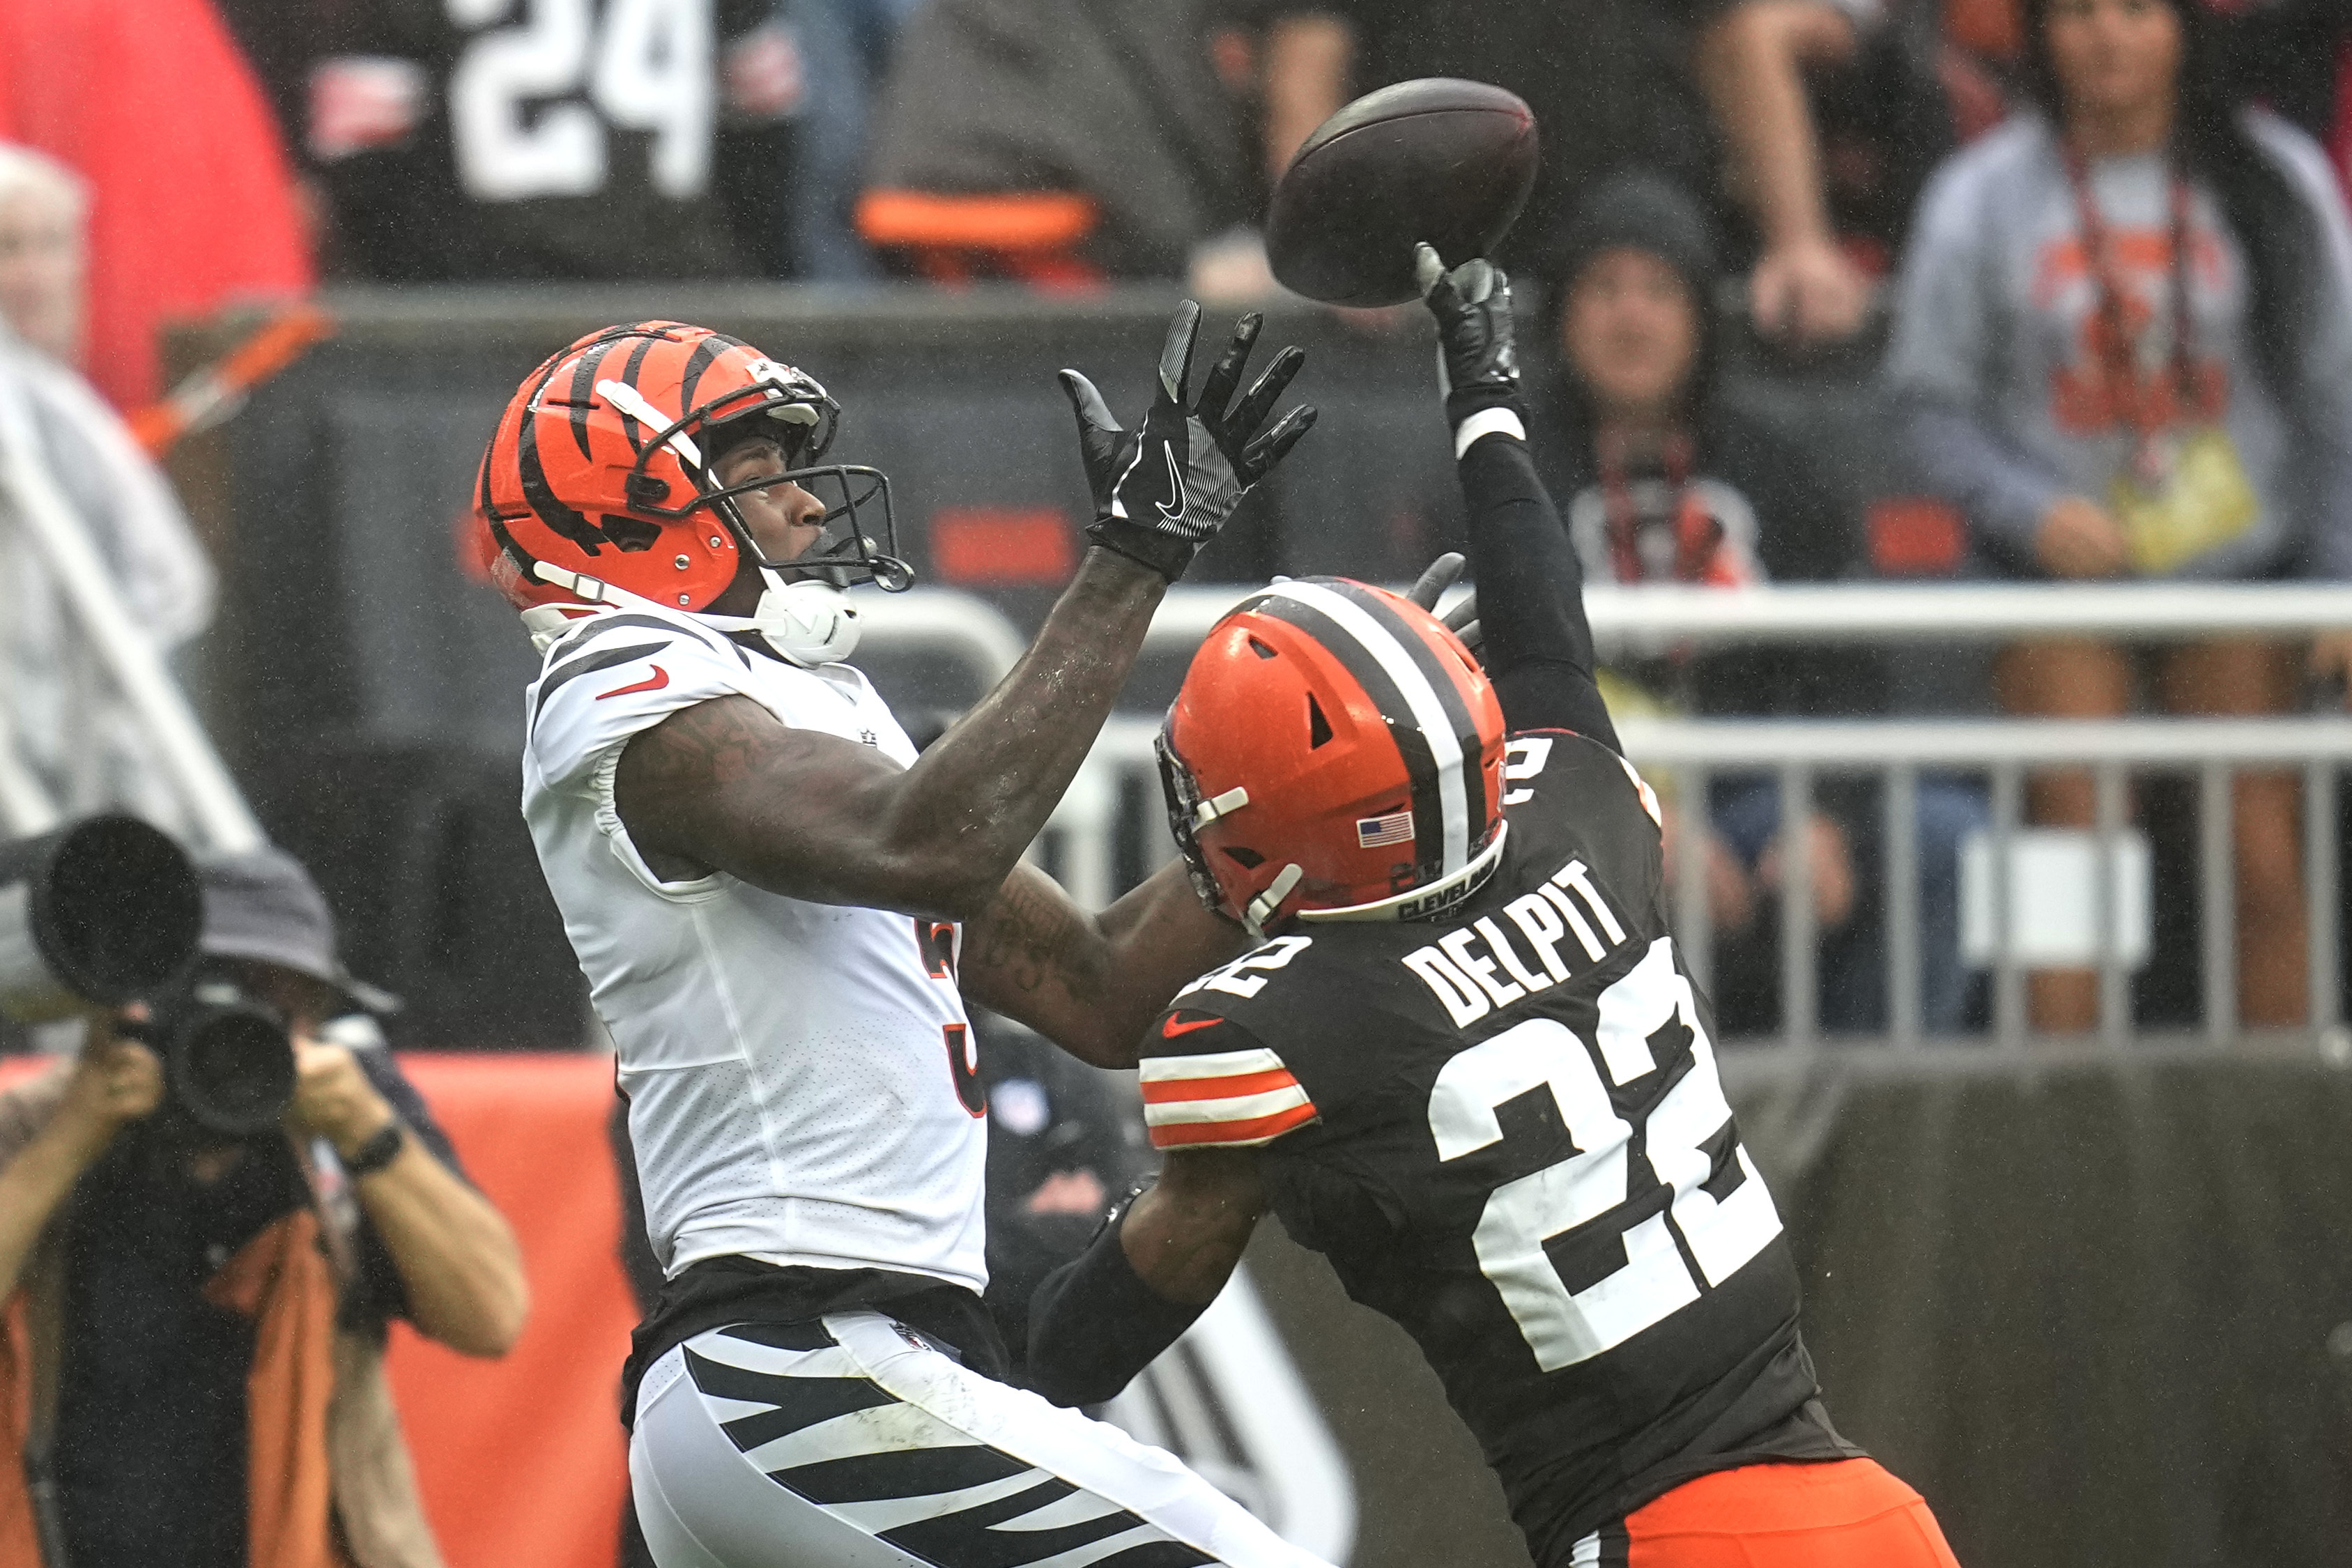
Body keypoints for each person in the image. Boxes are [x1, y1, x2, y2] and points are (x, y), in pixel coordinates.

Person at [1022, 243, 1962, 1567]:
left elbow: (1097, 1334)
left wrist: (980, 1354)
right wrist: (1487, 387)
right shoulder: (1584, 822)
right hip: (1869, 1508)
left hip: (1668, 1537)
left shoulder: (1280, 1034)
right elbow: (1541, 634)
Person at [477, 309, 1327, 1566]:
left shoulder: (809, 702)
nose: (804, 503)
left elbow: (1100, 988)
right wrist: (1134, 557)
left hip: (842, 1363)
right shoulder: (621, 676)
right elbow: (931, 841)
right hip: (798, 1358)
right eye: (755, 466)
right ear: (631, 504)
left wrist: (1317, 799)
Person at [1884, 0, 2352, 1030]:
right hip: (2051, 580)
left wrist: (2335, 582)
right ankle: (2059, 1125)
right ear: (2041, 37)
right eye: (2078, 13)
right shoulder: (1981, 196)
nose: (2106, 37)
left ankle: (2276, 1136)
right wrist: (2027, 506)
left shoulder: (2274, 180)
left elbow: (2335, 401)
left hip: (2243, 577)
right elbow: (1925, 406)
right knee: (2068, 832)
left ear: (2182, 29)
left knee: (2262, 850)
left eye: (2136, 10)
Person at [1529, 171, 1986, 1035]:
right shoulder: (1505, 473)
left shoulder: (1775, 462)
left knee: (1943, 835)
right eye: (1605, 290)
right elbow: (1484, 695)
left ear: (1702, 316)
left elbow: (1851, 671)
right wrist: (1629, 821)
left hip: (1759, 793)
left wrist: (1828, 816)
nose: (1633, 318)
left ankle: (1885, 1117)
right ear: (1563, 313)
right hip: (1573, 810)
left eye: (1660, 290)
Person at [0, 844, 528, 1568]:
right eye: (206, 991)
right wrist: (73, 1134)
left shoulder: (352, 1116)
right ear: (144, 992)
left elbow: (492, 1319)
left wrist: (365, 1134)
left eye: (274, 1003)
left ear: (318, 1014)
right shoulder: (56, 1116)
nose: (231, 1027)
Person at [0, 144, 223, 839]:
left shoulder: (69, 410)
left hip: (100, 774)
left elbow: (166, 599)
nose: (34, 275)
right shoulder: (23, 403)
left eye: (52, 246)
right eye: (8, 248)